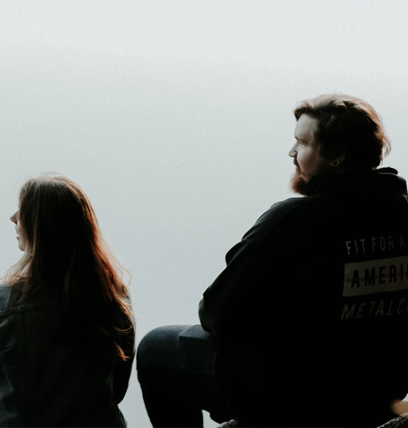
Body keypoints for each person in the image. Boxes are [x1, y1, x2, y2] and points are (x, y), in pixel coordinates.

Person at [137, 94, 408, 427]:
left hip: (295, 393)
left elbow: (216, 312)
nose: (292, 153)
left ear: (336, 155)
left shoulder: (293, 219)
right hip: (376, 389)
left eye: (302, 142)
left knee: (153, 349)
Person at [0, 175, 135, 427]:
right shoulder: (114, 297)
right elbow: (118, 390)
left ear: (41, 226)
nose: (13, 217)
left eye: (23, 210)